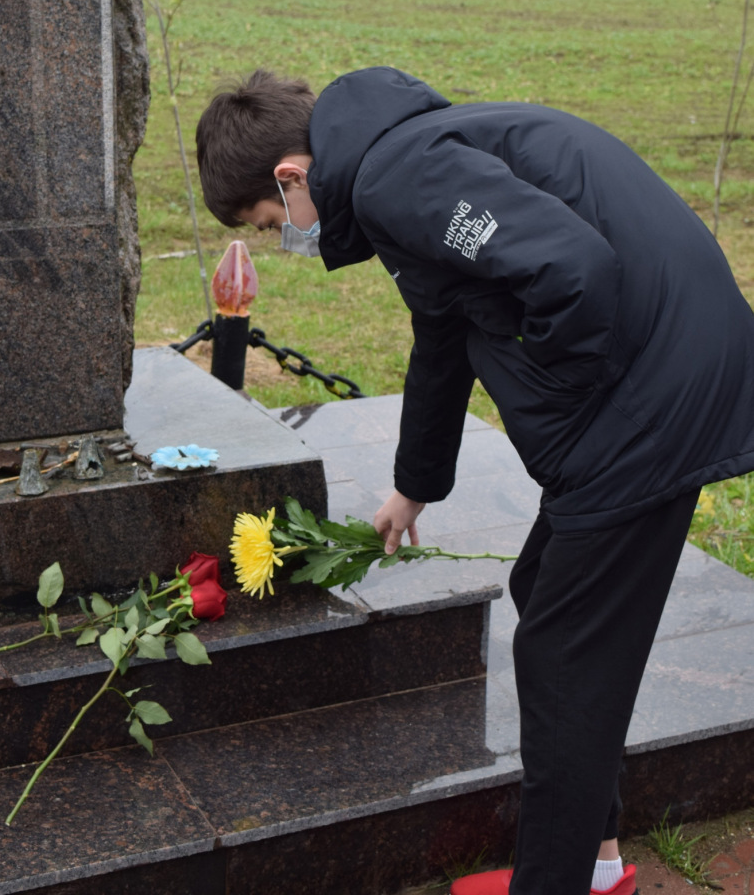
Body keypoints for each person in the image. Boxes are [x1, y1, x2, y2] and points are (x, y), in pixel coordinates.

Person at [195, 65, 754, 895]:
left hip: (651, 406)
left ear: (290, 175)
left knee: (564, 655)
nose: (287, 237)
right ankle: (593, 861)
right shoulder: (399, 157)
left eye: (273, 221)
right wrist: (413, 485)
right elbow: (443, 331)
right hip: (660, 385)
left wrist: (565, 408)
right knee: (544, 595)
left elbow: (572, 270)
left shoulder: (397, 176)